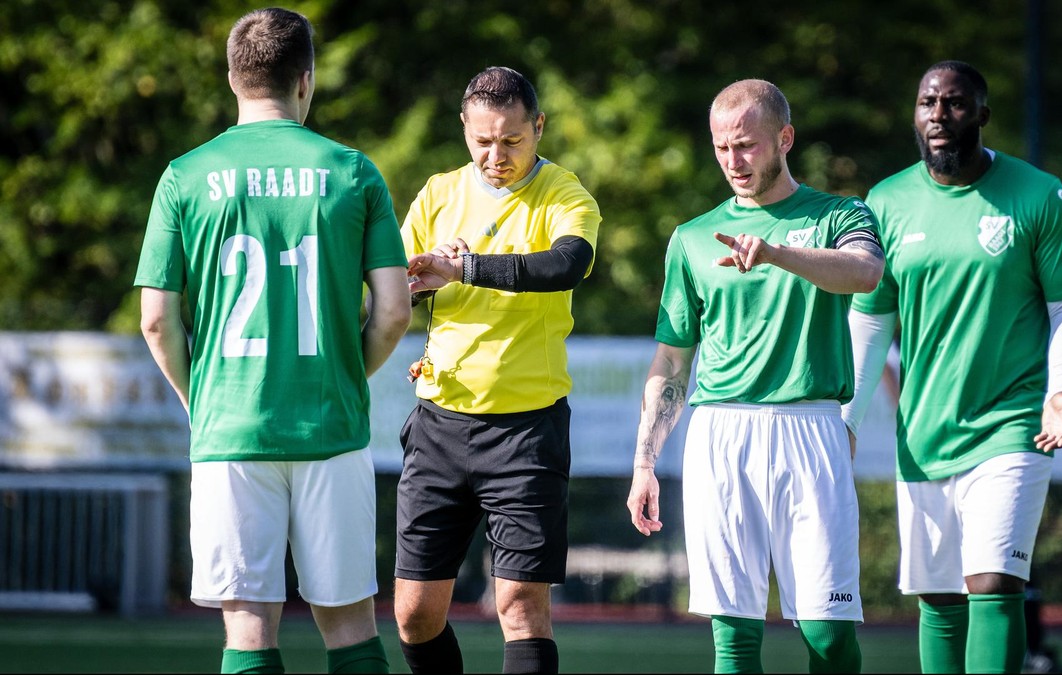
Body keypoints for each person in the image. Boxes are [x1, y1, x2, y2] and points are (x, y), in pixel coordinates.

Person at [134, 8, 412, 674]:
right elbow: (395, 310)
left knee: (249, 627)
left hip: (231, 427)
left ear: (232, 78)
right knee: (350, 625)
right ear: (306, 80)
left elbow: (155, 318)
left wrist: (198, 397)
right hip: (331, 424)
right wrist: (347, 372)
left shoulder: (184, 175)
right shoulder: (353, 170)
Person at [841, 60, 1062, 674]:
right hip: (925, 432)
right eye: (927, 103)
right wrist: (845, 417)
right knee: (939, 598)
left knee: (994, 581)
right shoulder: (887, 202)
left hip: (1013, 424)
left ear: (981, 114)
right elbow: (872, 323)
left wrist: (1061, 390)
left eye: (953, 104)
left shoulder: (1039, 195)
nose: (938, 116)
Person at [626, 79, 884, 674]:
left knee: (829, 633)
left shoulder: (839, 214)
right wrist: (645, 463)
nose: (733, 162)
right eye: (721, 148)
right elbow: (671, 361)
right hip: (721, 435)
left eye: (745, 145)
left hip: (811, 429)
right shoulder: (691, 238)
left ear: (784, 139)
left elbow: (865, 273)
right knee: (734, 636)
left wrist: (773, 252)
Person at [392, 66, 601, 675]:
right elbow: (397, 286)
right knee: (414, 614)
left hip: (526, 432)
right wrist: (410, 285)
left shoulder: (566, 194)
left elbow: (565, 263)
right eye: (482, 140)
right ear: (464, 128)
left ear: (538, 127)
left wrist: (468, 269)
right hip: (438, 426)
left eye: (511, 140)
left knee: (518, 604)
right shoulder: (437, 193)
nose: (495, 155)